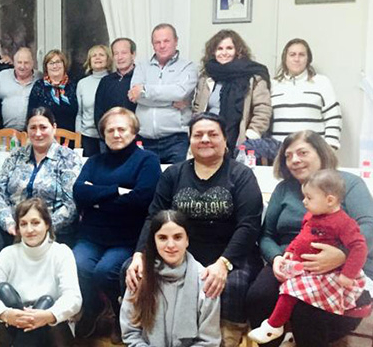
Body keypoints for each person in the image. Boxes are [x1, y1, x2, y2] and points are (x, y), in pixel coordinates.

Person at [125, 113, 262, 345]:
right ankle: (147, 334)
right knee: (131, 272)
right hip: (180, 251)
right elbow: (153, 217)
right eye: (198, 135)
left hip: (230, 253)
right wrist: (140, 254)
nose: (205, 139)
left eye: (212, 134)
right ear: (189, 140)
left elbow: (249, 225)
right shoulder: (173, 174)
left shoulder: (241, 175)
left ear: (225, 139)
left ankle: (223, 340)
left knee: (234, 284)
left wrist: (223, 263)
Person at [246, 130, 373, 346]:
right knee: (258, 297)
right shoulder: (283, 189)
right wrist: (276, 258)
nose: (295, 160)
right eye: (288, 155)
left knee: (308, 313)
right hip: (291, 262)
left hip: (341, 268)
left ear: (321, 153)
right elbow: (266, 235)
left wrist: (341, 255)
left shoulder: (348, 184)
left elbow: (368, 226)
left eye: (302, 152)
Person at [72, 107, 160, 339]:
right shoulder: (94, 161)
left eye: (122, 129)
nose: (116, 134)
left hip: (126, 238)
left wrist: (98, 198)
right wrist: (117, 191)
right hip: (91, 236)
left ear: (133, 132)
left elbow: (141, 199)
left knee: (104, 271)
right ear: (103, 134)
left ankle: (121, 311)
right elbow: (79, 192)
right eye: (110, 130)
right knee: (77, 265)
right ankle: (93, 309)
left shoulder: (147, 160)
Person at [0, 198, 81, 347]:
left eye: (35, 222)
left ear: (47, 224)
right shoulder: (8, 254)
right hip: (14, 323)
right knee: (3, 291)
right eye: (23, 224)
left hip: (52, 327)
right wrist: (6, 314)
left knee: (46, 301)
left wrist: (48, 315)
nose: (29, 230)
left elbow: (74, 298)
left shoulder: (62, 253)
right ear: (18, 228)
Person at [120, 210, 221, 347]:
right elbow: (131, 333)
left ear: (187, 240)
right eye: (162, 238)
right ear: (154, 241)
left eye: (177, 237)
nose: (171, 245)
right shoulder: (139, 277)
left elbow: (208, 341)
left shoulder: (205, 280)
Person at [0, 107, 81, 243]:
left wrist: (42, 228)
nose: (38, 133)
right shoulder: (16, 155)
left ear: (54, 128)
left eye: (43, 127)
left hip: (53, 231)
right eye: (33, 128)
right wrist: (8, 223)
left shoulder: (68, 158)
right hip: (14, 228)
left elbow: (72, 204)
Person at [192, 30, 271, 157]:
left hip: (239, 142)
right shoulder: (206, 77)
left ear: (238, 51)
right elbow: (197, 108)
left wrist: (249, 136)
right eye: (219, 48)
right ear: (213, 52)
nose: (224, 53)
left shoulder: (254, 76)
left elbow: (263, 110)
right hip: (207, 140)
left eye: (229, 48)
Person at [128, 23, 198, 164]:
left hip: (176, 140)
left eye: (166, 41)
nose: (162, 45)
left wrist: (145, 90)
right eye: (157, 42)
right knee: (147, 184)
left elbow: (180, 92)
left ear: (176, 41)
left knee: (177, 183)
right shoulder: (142, 66)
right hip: (144, 140)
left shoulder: (188, 66)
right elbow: (135, 95)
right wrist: (170, 101)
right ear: (152, 45)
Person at [270, 38, 342, 151]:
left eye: (301, 55)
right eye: (292, 54)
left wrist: (330, 148)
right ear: (285, 58)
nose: (296, 59)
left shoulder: (321, 82)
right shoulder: (272, 85)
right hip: (280, 153)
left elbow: (333, 116)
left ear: (308, 59)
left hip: (313, 153)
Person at [0, 47, 37, 131]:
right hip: (7, 133)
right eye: (19, 62)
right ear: (14, 63)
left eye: (26, 63)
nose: (22, 66)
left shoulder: (39, 79)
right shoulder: (2, 77)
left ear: (33, 63)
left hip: (33, 133)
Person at [75, 44, 113, 156]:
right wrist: (78, 137)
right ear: (89, 61)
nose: (97, 58)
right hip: (88, 138)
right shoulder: (82, 84)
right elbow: (79, 113)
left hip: (109, 136)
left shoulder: (113, 81)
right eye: (94, 56)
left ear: (108, 59)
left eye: (101, 55)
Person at [27, 50, 78, 132]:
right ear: (46, 67)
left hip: (70, 137)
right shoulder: (39, 86)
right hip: (44, 135)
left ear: (64, 64)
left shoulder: (73, 85)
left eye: (58, 62)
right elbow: (31, 113)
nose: (55, 66)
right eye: (51, 63)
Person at [94, 38, 137, 128]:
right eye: (116, 53)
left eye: (124, 53)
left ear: (133, 55)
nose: (119, 57)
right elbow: (98, 113)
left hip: (137, 137)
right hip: (110, 137)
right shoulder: (106, 81)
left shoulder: (141, 78)